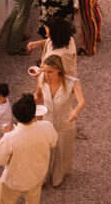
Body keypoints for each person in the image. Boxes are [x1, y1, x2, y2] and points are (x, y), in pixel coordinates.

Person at [0, 95, 57, 204]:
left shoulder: (10, 138)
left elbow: (0, 160)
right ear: (35, 112)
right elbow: (53, 143)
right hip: (36, 175)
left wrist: (7, 134)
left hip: (14, 180)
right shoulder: (47, 127)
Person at [33, 56, 85, 188]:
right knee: (44, 151)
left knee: (62, 150)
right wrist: (36, 104)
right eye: (44, 71)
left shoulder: (72, 83)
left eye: (50, 72)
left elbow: (81, 102)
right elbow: (38, 93)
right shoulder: (41, 78)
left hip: (64, 122)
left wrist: (76, 111)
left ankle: (59, 175)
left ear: (59, 70)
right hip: (46, 122)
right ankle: (43, 176)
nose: (46, 75)